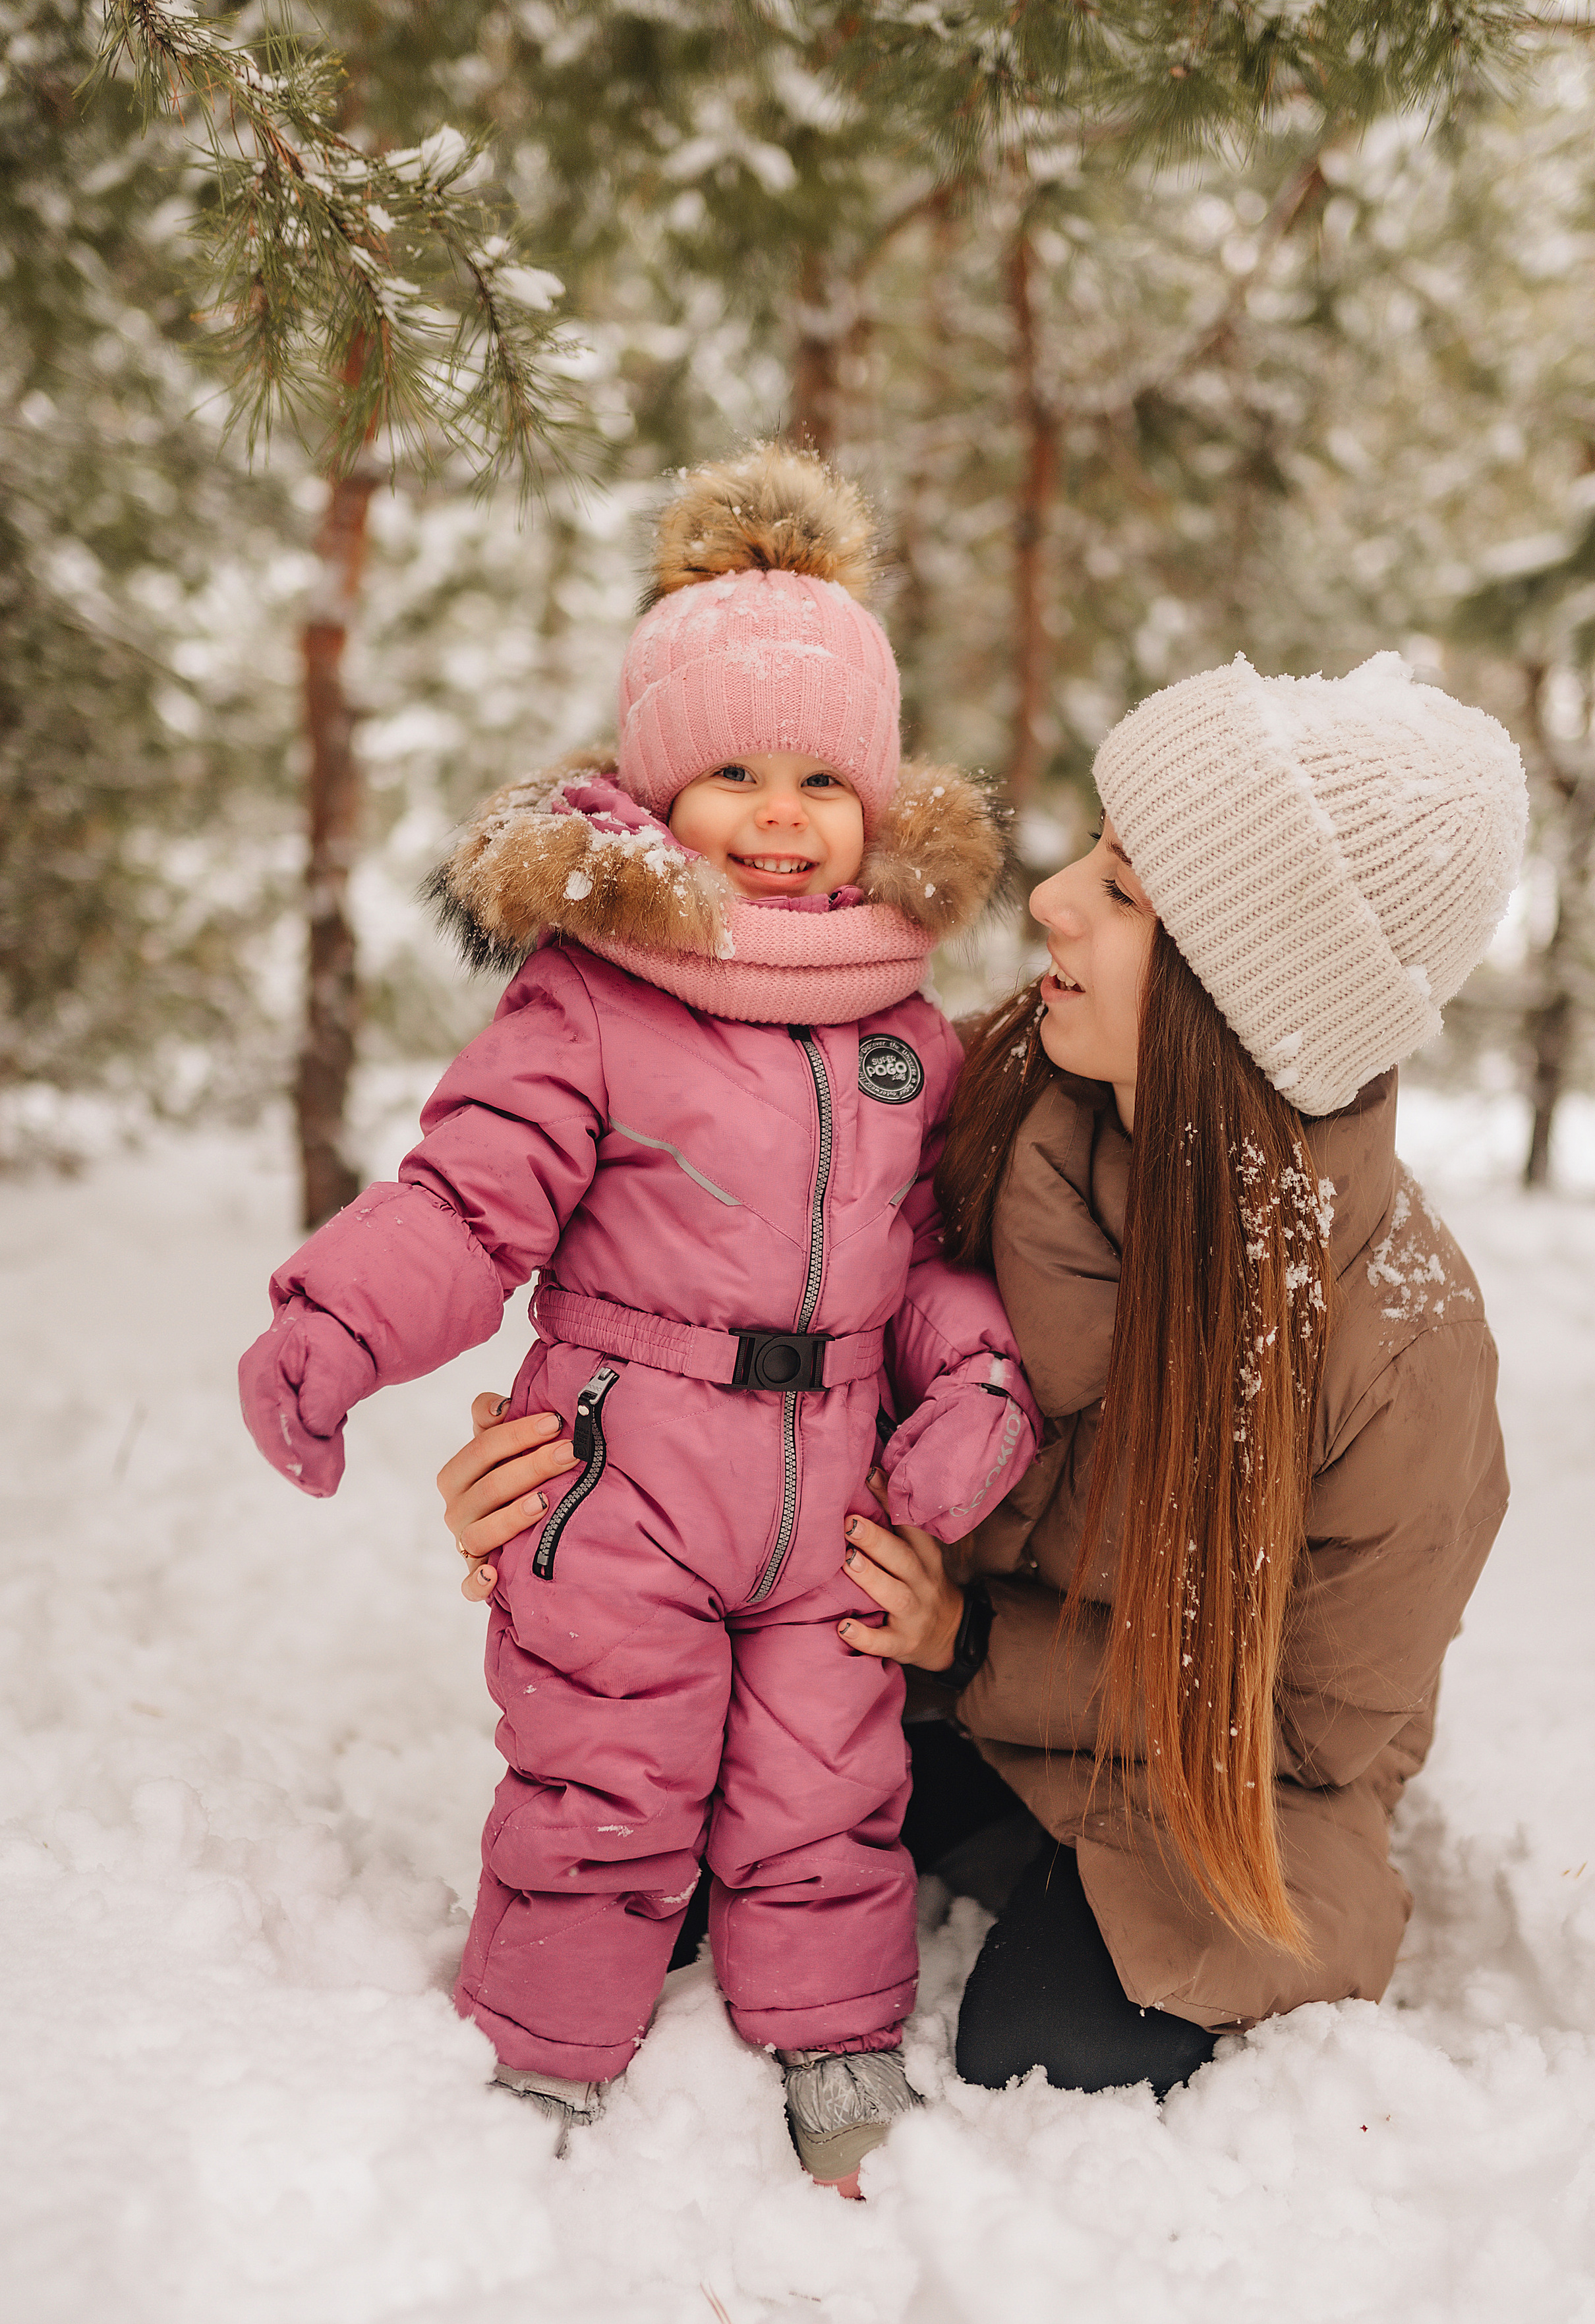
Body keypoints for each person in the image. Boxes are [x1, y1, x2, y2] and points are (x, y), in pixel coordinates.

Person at [444, 648, 1524, 2102]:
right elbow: (719, 1305)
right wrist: (579, 1462)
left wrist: (968, 1642)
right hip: (911, 1673)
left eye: (1123, 892)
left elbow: (1314, 1723)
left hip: (1211, 1776)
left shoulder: (1400, 1345)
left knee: (1054, 2043)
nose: (1050, 900)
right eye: (1091, 850)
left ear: (1243, 1000)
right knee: (654, 1855)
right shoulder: (980, 1094)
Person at [237, 447, 1040, 2190]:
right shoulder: (591, 998)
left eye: (820, 775)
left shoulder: (904, 1024)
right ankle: (544, 2044)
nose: (778, 812)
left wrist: (976, 1377)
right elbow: (470, 1197)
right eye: (732, 770)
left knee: (828, 1781)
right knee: (604, 1765)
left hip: (833, 1480)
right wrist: (340, 1324)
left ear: (876, 797)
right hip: (624, 1462)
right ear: (658, 790)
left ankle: (833, 2037)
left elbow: (932, 1252)